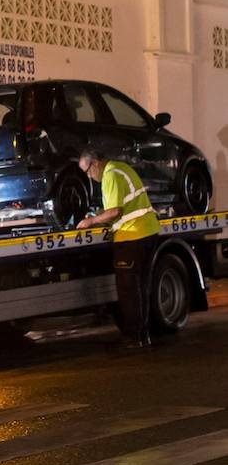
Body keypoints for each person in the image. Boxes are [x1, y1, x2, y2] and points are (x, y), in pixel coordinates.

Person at [75, 147, 159, 351]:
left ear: (95, 163)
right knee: (141, 287)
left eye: (87, 171)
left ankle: (132, 337)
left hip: (131, 236)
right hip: (148, 232)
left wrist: (91, 221)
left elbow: (115, 211)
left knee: (129, 290)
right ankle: (143, 335)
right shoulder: (120, 168)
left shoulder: (110, 175)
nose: (89, 176)